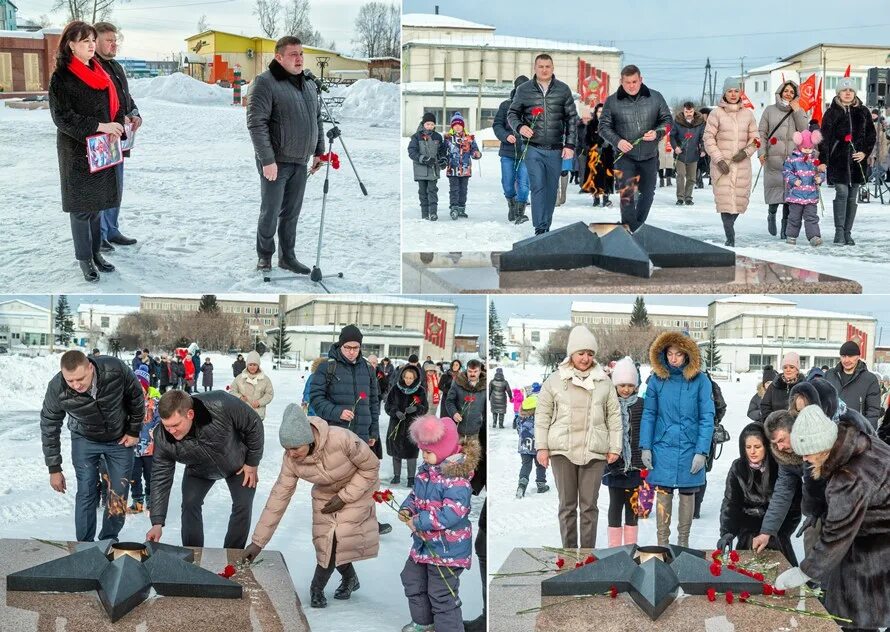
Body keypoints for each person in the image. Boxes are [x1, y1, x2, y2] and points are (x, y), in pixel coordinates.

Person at [244, 404, 380, 608]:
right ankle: (351, 578)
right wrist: (258, 543)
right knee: (325, 542)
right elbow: (278, 498)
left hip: (359, 487)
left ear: (308, 440)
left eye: (296, 448)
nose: (291, 454)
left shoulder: (342, 439)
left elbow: (371, 467)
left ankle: (316, 588)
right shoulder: (291, 461)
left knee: (337, 537)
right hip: (325, 493)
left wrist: (345, 496)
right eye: (286, 449)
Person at [774, 405, 890, 631]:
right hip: (876, 533)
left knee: (857, 616)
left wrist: (804, 571)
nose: (805, 459)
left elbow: (836, 534)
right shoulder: (860, 441)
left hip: (875, 551)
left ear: (822, 446)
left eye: (807, 453)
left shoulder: (848, 478)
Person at [49, 21, 124, 282]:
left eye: (93, 40)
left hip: (101, 148)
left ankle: (96, 253)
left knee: (97, 205)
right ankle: (84, 259)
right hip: (77, 151)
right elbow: (62, 118)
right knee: (82, 209)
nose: (92, 45)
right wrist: (101, 126)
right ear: (71, 45)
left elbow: (111, 104)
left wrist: (117, 122)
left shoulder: (98, 70)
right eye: (85, 41)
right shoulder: (62, 77)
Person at [41, 350, 143, 541]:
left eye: (80, 378)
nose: (76, 385)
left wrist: (133, 431)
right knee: (87, 489)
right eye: (70, 381)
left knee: (118, 493)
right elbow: (49, 425)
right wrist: (54, 468)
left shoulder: (115, 369)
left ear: (90, 367)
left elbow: (136, 397)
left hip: (119, 438)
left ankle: (108, 540)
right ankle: (85, 546)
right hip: (84, 438)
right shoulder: (57, 388)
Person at [535, 326, 621, 548]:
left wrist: (615, 447)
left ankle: (587, 556)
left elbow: (614, 416)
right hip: (562, 450)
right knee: (567, 506)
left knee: (589, 506)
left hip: (594, 451)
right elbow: (542, 415)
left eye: (590, 354)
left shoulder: (604, 382)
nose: (585, 358)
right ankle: (570, 554)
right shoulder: (555, 380)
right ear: (571, 353)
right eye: (581, 353)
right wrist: (542, 447)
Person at [147, 390, 264, 548]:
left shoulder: (221, 404)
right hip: (199, 470)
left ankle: (233, 555)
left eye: (175, 425)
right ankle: (193, 553)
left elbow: (254, 424)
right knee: (189, 503)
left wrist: (252, 462)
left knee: (242, 504)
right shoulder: (163, 438)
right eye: (166, 426)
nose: (171, 431)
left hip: (238, 462)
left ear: (190, 414)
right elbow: (160, 477)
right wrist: (157, 522)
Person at [246, 35, 324, 273]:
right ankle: (265, 256)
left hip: (300, 161)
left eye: (301, 54)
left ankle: (287, 257)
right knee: (270, 212)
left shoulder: (309, 84)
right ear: (278, 57)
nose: (299, 59)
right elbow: (256, 124)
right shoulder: (264, 83)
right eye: (293, 54)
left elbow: (317, 119)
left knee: (291, 214)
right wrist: (267, 160)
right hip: (275, 162)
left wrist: (318, 151)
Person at [399, 415, 480, 632]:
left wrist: (419, 521)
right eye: (422, 451)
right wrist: (408, 508)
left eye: (428, 452)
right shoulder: (425, 473)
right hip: (424, 544)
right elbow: (416, 496)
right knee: (412, 579)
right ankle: (424, 622)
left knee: (441, 593)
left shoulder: (457, 480)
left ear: (444, 449)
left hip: (447, 549)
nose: (424, 456)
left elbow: (451, 513)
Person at [309, 324, 388, 534]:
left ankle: (366, 521)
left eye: (356, 347)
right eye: (348, 347)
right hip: (336, 436)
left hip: (362, 436)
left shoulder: (368, 369)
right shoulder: (328, 367)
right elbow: (316, 399)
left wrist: (373, 433)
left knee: (364, 482)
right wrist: (337, 412)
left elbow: (373, 402)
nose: (352, 351)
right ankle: (333, 522)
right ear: (340, 345)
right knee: (336, 480)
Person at [639, 331, 715, 547]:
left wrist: (702, 451)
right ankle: (662, 544)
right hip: (662, 447)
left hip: (690, 448)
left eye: (679, 354)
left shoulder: (701, 381)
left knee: (687, 492)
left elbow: (707, 417)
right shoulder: (656, 380)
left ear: (687, 355)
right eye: (670, 353)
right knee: (663, 491)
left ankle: (683, 544)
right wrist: (646, 446)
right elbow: (649, 414)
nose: (674, 358)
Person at [507, 54, 579, 235]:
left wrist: (569, 145)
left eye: (548, 66)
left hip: (556, 149)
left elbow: (571, 119)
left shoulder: (563, 90)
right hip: (533, 148)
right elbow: (512, 113)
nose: (544, 70)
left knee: (551, 189)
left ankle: (546, 225)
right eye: (541, 66)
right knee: (538, 185)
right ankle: (540, 228)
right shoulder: (524, 90)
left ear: (553, 68)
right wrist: (521, 127)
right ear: (535, 68)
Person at [597, 64, 671, 232]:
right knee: (627, 195)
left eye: (634, 81)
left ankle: (636, 227)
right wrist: (618, 141)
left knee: (647, 194)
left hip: (649, 155)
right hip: (624, 157)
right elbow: (603, 127)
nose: (631, 86)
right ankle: (631, 230)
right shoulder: (612, 101)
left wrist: (657, 133)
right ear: (621, 82)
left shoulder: (656, 97)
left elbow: (668, 121)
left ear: (641, 80)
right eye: (627, 82)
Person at [716, 421, 800, 565]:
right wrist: (727, 532)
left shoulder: (780, 467)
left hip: (776, 530)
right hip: (748, 529)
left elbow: (793, 504)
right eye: (748, 447)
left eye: (757, 447)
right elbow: (731, 503)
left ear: (766, 447)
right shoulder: (738, 468)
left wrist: (779, 532)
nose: (752, 451)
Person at [93, 21, 140, 252]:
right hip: (102, 138)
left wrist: (134, 114)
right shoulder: (91, 67)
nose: (114, 44)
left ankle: (111, 229)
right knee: (101, 187)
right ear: (95, 41)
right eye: (109, 40)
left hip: (119, 137)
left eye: (115, 40)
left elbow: (126, 98)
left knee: (115, 186)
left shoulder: (116, 67)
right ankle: (99, 235)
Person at [818, 77, 876, 245]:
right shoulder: (832, 112)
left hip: (858, 163)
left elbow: (871, 136)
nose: (848, 93)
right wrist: (823, 160)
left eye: (851, 90)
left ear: (855, 93)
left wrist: (864, 152)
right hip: (838, 162)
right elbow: (824, 139)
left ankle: (848, 233)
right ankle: (839, 232)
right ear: (838, 93)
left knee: (852, 197)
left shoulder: (863, 111)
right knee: (842, 193)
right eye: (844, 90)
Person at [703, 76, 759, 247]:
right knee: (725, 202)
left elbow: (756, 139)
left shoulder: (748, 114)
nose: (733, 94)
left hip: (741, 166)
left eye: (736, 91)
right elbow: (708, 138)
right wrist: (718, 159)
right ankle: (730, 237)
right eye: (730, 91)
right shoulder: (716, 114)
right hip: (723, 166)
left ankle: (730, 228)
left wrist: (746, 152)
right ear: (724, 93)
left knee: (739, 202)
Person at [757, 81, 809, 239]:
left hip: (793, 160)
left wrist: (797, 111)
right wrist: (761, 151)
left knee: (789, 195)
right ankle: (771, 215)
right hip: (773, 157)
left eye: (791, 92)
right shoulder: (769, 110)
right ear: (780, 92)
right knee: (774, 190)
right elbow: (762, 133)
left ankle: (785, 228)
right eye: (785, 91)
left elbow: (804, 130)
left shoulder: (798, 110)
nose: (788, 94)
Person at [602, 356, 644, 547]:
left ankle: (630, 546)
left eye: (629, 385)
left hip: (634, 466)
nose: (626, 389)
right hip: (615, 464)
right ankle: (614, 547)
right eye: (621, 385)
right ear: (615, 385)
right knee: (615, 504)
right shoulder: (610, 404)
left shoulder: (641, 405)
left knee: (632, 506)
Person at [493, 75, 531, 224]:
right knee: (508, 183)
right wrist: (506, 136)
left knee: (523, 183)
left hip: (526, 152)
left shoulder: (534, 107)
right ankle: (512, 204)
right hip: (508, 151)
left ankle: (520, 212)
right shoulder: (506, 105)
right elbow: (497, 125)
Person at [384, 364, 428, 486]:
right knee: (396, 451)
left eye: (411, 378)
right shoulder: (395, 389)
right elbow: (388, 406)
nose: (408, 380)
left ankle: (411, 478)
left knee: (411, 453)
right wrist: (396, 412)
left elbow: (425, 408)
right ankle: (396, 476)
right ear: (402, 377)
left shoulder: (420, 391)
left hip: (412, 426)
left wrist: (416, 408)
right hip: (396, 425)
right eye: (406, 377)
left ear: (415, 378)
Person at [824, 341, 881, 427]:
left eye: (850, 356)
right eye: (843, 356)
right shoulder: (829, 375)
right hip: (830, 430)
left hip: (856, 433)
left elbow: (873, 411)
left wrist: (867, 434)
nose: (846, 360)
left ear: (858, 356)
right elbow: (821, 401)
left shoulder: (870, 380)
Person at [782, 130, 824, 246]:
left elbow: (820, 171)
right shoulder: (792, 158)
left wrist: (820, 178)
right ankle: (791, 236)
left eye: (810, 148)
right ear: (799, 145)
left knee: (811, 218)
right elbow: (786, 172)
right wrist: (794, 180)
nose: (807, 150)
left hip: (811, 195)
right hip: (796, 195)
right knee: (794, 218)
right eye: (805, 147)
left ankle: (814, 237)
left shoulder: (815, 159)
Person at [128, 364, 160, 513]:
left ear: (146, 386)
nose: (138, 388)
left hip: (150, 447)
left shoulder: (155, 402)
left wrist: (154, 431)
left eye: (141, 385)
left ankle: (151, 500)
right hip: (132, 447)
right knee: (133, 476)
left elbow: (159, 420)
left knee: (150, 476)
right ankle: (137, 501)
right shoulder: (127, 401)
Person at [407, 112, 446, 221]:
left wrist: (443, 159)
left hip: (433, 170)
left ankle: (433, 213)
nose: (430, 126)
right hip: (421, 170)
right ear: (423, 124)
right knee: (423, 192)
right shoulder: (416, 136)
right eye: (428, 124)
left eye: (432, 124)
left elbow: (442, 151)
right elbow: (412, 152)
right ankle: (425, 213)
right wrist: (424, 159)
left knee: (432, 191)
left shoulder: (437, 137)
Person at [443, 112, 482, 220]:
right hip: (453, 168)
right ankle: (454, 208)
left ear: (463, 126)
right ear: (452, 126)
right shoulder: (448, 138)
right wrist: (443, 159)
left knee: (463, 189)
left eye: (460, 125)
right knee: (454, 189)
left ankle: (461, 208)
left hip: (465, 169)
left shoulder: (469, 138)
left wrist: (476, 154)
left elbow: (474, 149)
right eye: (455, 125)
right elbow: (443, 151)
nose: (458, 127)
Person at [669, 102, 706, 205]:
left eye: (691, 111)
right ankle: (680, 198)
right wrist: (675, 147)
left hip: (693, 155)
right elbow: (672, 136)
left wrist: (703, 149)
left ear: (694, 111)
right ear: (683, 111)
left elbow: (702, 137)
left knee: (691, 178)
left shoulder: (700, 123)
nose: (688, 113)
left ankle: (688, 197)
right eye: (686, 111)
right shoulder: (677, 121)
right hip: (680, 154)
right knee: (680, 175)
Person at [515, 394, 549, 498]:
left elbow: (518, 430)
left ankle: (522, 485)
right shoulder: (539, 418)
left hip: (524, 446)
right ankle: (541, 484)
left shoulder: (520, 418)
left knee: (526, 465)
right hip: (537, 446)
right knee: (540, 464)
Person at [582, 103, 616, 207]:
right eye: (599, 111)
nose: (600, 114)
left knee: (607, 176)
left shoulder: (610, 124)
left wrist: (608, 143)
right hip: (594, 154)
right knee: (594, 175)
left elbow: (615, 138)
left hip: (607, 154)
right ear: (596, 112)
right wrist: (593, 146)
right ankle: (596, 197)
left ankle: (606, 197)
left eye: (602, 111)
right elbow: (586, 139)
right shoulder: (591, 124)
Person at [442, 358, 486, 438]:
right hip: (458, 428)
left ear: (480, 371)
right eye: (470, 371)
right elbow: (449, 401)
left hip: (477, 430)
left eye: (475, 371)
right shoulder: (458, 381)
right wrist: (454, 413)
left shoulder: (485, 385)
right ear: (466, 370)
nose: (472, 374)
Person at [228, 350, 274, 420]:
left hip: (258, 415)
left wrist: (259, 402)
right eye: (250, 365)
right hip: (242, 414)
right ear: (247, 365)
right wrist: (240, 397)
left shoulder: (265, 379)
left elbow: (269, 394)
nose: (252, 367)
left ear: (258, 366)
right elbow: (232, 391)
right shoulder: (240, 378)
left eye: (255, 365)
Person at [760, 352, 802, 420]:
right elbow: (765, 406)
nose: (788, 370)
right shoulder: (774, 385)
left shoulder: (804, 386)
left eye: (791, 367)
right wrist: (772, 422)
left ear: (797, 370)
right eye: (785, 367)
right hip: (776, 428)